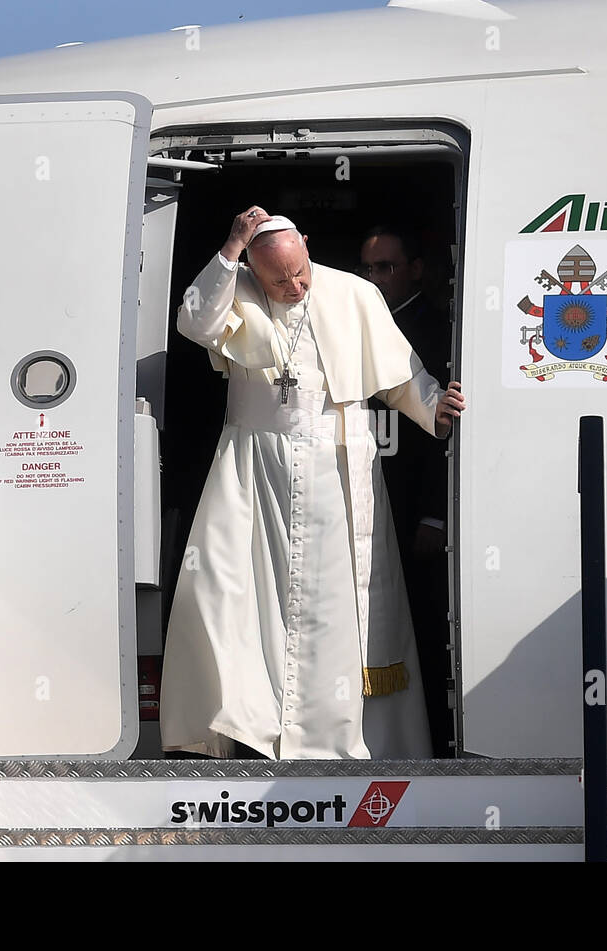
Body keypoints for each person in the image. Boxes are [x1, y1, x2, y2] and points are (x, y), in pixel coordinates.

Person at [160, 206, 467, 760]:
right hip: (255, 469)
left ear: (307, 245)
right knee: (233, 598)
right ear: (252, 267)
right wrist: (231, 247)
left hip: (338, 465)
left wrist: (433, 409)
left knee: (336, 611)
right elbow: (195, 322)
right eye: (278, 279)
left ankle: (339, 741)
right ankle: (257, 729)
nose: (294, 286)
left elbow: (398, 377)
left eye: (299, 272)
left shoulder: (353, 294)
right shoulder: (238, 288)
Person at [358, 225, 454, 754]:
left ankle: (433, 748)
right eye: (367, 269)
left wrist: (436, 515)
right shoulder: (357, 326)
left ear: (416, 268)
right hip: (369, 506)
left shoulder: (438, 331)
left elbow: (450, 429)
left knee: (421, 634)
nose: (373, 279)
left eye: (386, 267)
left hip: (416, 513)